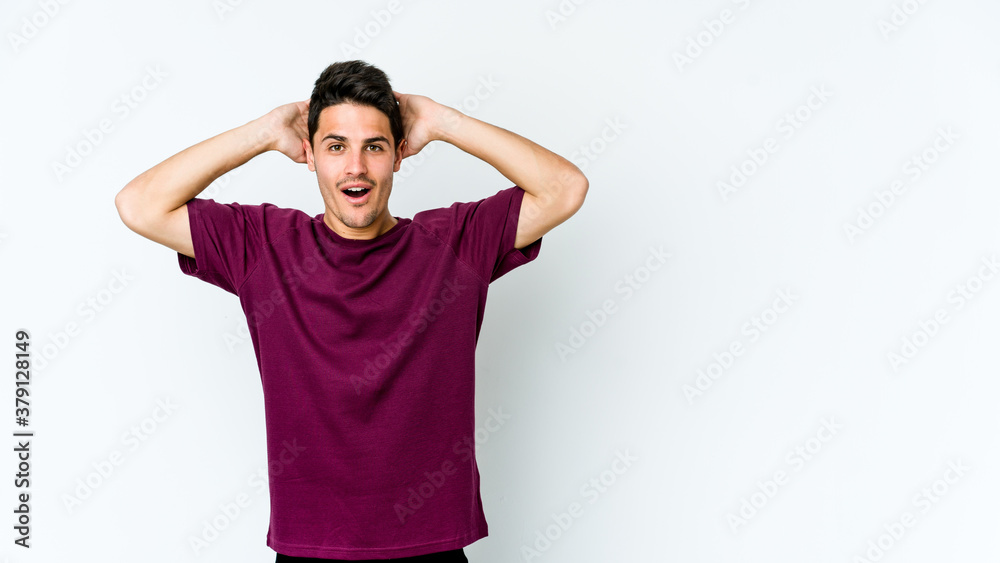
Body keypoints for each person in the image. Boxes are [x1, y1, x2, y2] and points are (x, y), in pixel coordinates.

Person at [114, 60, 588, 561]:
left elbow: (565, 188)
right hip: (309, 551)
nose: (355, 167)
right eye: (336, 146)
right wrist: (264, 132)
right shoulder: (264, 248)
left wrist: (443, 121)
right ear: (309, 154)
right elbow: (140, 205)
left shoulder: (454, 245)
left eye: (374, 147)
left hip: (432, 549)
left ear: (399, 154)